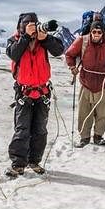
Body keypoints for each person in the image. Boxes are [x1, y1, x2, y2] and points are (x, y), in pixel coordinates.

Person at [5, 12, 65, 176]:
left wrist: (45, 38)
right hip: (24, 92)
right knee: (22, 129)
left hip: (42, 91)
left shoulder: (42, 41)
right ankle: (18, 163)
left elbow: (59, 50)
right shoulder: (15, 40)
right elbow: (12, 53)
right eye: (28, 24)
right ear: (22, 26)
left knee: (40, 129)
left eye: (35, 23)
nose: (33, 26)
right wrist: (25, 37)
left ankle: (34, 161)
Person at [64, 17, 105, 147]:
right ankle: (84, 137)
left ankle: (98, 136)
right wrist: (72, 67)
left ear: (103, 33)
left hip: (103, 83)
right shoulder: (82, 41)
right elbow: (69, 54)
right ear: (90, 32)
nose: (96, 34)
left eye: (99, 32)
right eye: (94, 32)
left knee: (103, 113)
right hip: (86, 82)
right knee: (84, 112)